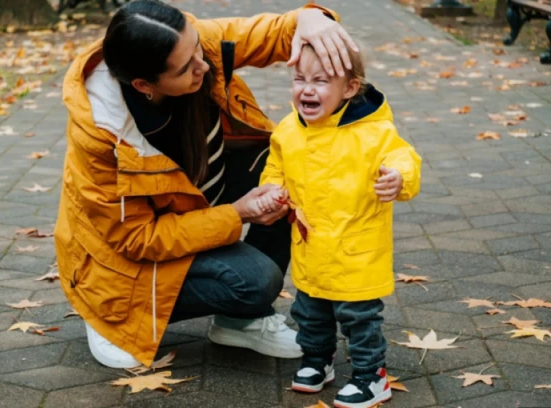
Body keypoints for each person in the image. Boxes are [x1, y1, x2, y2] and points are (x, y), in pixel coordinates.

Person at [54, 0, 359, 369]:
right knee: (256, 281)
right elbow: (137, 239)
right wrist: (237, 214)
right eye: (186, 68)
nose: (203, 64)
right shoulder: (104, 138)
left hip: (192, 206)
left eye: (198, 47)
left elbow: (275, 33)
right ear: (144, 85)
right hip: (122, 262)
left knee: (288, 175)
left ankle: (239, 322)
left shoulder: (190, 46)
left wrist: (311, 17)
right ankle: (112, 317)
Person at [258, 44, 421, 408]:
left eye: (320, 80)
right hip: (311, 247)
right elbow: (275, 166)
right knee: (309, 311)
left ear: (350, 88)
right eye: (300, 79)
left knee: (359, 318)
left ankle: (370, 375)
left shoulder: (374, 131)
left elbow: (402, 157)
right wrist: (271, 187)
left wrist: (399, 177)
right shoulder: (288, 129)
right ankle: (318, 361)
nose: (307, 89)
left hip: (356, 250)